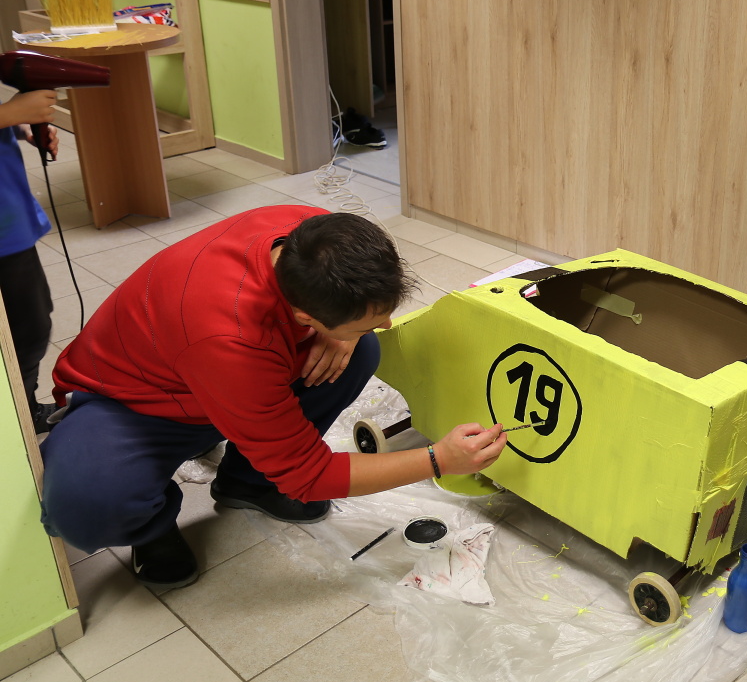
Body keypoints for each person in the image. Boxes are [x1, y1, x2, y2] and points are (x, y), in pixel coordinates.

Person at [40, 206, 507, 589]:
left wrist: (345, 333)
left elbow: (351, 319)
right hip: (133, 403)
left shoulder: (311, 236)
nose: (386, 325)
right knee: (87, 506)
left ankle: (249, 481)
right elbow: (309, 474)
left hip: (221, 377)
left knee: (359, 350)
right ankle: (153, 526)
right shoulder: (231, 340)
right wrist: (437, 459)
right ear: (304, 315)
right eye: (369, 319)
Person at [0, 89, 59, 433]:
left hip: (9, 217)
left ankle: (25, 407)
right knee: (27, 330)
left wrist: (18, 126)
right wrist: (9, 114)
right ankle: (16, 422)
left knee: (32, 321)